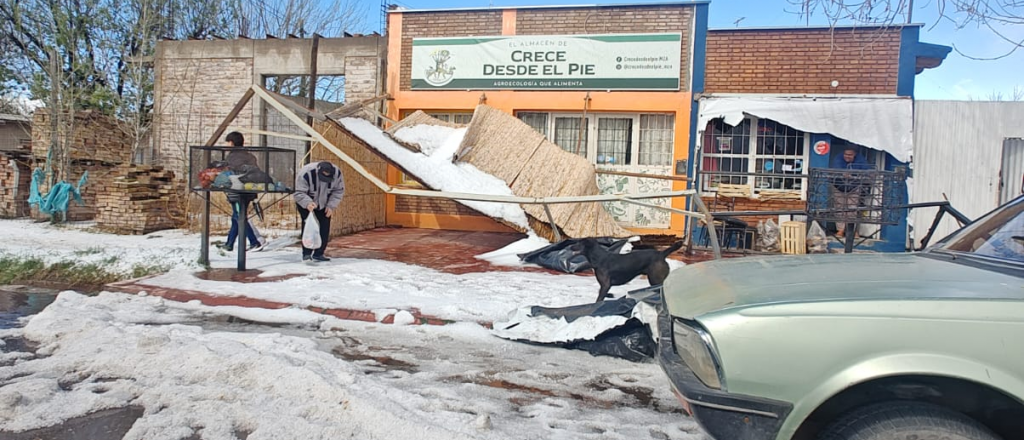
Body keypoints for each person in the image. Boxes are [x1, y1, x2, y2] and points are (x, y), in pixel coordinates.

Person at [220, 131, 267, 252]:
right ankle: (229, 244)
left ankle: (254, 242)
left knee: (239, 216)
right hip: (250, 190)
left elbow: (230, 174)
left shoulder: (232, 157)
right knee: (237, 216)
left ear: (231, 143)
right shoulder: (250, 156)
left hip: (237, 192)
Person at [293, 161, 345, 262]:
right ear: (318, 172)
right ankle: (307, 253)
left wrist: (331, 206)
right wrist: (308, 203)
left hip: (325, 203)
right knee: (308, 227)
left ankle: (319, 253)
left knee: (324, 226)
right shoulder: (306, 173)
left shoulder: (337, 174)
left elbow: (338, 191)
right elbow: (298, 192)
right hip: (306, 202)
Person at [830, 146, 872, 238]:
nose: (847, 156)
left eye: (850, 155)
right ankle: (840, 230)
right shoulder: (838, 158)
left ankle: (852, 231)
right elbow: (836, 169)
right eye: (846, 154)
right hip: (838, 186)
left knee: (853, 208)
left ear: (855, 154)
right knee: (839, 207)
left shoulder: (861, 160)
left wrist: (854, 174)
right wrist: (842, 173)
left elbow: (867, 171)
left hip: (854, 186)